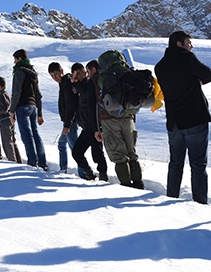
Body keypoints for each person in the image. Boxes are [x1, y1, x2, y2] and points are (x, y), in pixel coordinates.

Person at [155, 31, 211, 204]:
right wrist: (197, 80)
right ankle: (200, 203)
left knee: (175, 164)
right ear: (179, 44)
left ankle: (171, 198)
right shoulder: (187, 58)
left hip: (174, 122)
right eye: (189, 42)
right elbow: (208, 75)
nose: (191, 45)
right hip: (195, 118)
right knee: (198, 165)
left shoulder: (160, 66)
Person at [93, 58, 144, 189]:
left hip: (109, 120)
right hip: (128, 118)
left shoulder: (100, 78)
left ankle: (126, 186)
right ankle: (138, 184)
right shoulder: (127, 74)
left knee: (119, 155)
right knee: (132, 153)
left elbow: (95, 104)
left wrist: (97, 128)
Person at [9, 49, 47, 170]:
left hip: (22, 106)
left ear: (19, 58)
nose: (14, 62)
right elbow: (38, 94)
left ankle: (32, 163)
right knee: (35, 134)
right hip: (33, 106)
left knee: (26, 134)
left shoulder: (19, 71)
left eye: (15, 59)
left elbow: (16, 92)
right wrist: (40, 112)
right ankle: (42, 163)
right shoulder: (33, 73)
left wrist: (11, 110)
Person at [71, 62, 108, 181]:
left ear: (85, 72)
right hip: (86, 126)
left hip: (93, 125)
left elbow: (88, 99)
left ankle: (103, 176)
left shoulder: (89, 83)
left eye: (79, 73)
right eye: (75, 73)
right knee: (77, 152)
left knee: (97, 153)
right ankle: (89, 174)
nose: (77, 76)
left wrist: (96, 128)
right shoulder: (79, 86)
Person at [48, 62, 83, 176]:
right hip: (68, 121)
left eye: (57, 74)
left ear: (61, 71)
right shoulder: (63, 83)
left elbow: (71, 105)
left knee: (76, 150)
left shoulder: (67, 84)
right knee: (61, 144)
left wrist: (67, 124)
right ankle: (63, 169)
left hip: (70, 122)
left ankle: (84, 174)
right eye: (52, 75)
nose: (55, 78)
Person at [0, 76, 22, 163]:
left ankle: (12, 160)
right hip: (9, 119)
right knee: (12, 140)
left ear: (3, 86)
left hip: (4, 120)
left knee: (7, 141)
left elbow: (4, 108)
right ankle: (18, 161)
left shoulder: (2, 95)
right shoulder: (5, 94)